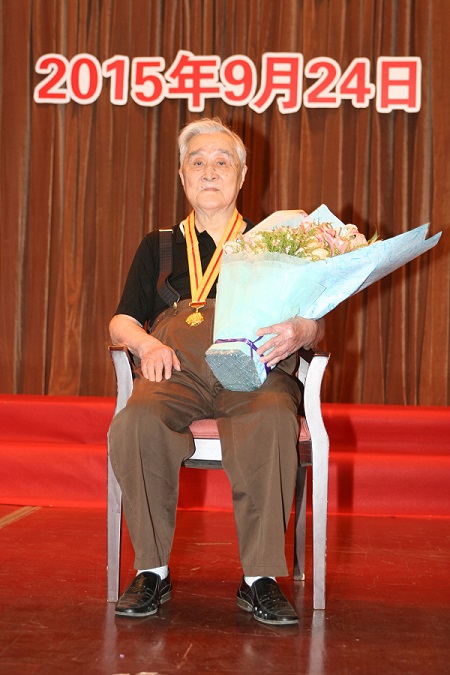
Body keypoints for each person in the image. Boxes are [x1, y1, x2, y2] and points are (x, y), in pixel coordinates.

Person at [108, 118, 325, 626]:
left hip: (253, 371)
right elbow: (121, 319)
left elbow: (316, 322)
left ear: (242, 175)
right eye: (198, 162)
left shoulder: (275, 241)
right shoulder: (159, 245)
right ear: (182, 176)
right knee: (136, 422)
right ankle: (152, 570)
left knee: (271, 418)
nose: (209, 171)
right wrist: (145, 342)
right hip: (176, 370)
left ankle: (260, 578)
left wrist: (299, 329)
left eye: (222, 162)